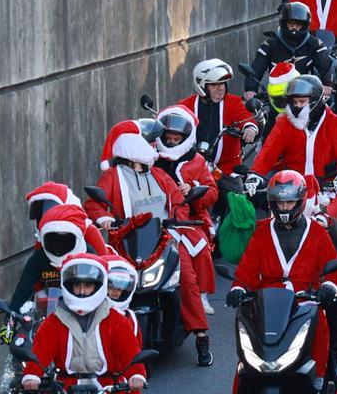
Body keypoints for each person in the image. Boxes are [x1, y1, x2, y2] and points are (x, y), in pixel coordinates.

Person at [85, 121, 213, 365]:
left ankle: (201, 336)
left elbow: (178, 203)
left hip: (163, 239)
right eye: (148, 143)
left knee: (186, 278)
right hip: (125, 243)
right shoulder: (112, 177)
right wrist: (105, 219)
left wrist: (176, 223)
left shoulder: (158, 174)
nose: (153, 147)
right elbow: (93, 204)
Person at [227, 170, 337, 389]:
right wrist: (238, 288)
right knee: (248, 345)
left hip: (304, 300)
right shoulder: (261, 232)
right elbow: (247, 267)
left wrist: (328, 285)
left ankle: (324, 370)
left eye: (289, 202)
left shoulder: (317, 232)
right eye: (280, 203)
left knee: (321, 326)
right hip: (267, 301)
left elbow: (332, 266)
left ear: (300, 201)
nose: (285, 208)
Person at [21, 254, 147, 391]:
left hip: (108, 386)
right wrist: (32, 375)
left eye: (88, 285)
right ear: (69, 286)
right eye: (76, 285)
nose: (82, 291)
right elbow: (41, 351)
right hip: (66, 386)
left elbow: (129, 351)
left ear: (98, 286)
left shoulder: (115, 319)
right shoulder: (55, 320)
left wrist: (136, 374)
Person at [153, 105, 220, 313]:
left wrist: (192, 189)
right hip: (154, 217)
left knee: (199, 248)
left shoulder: (196, 161)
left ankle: (201, 294)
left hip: (190, 218)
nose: (172, 143)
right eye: (169, 138)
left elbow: (212, 193)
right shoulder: (150, 158)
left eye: (177, 139)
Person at [177, 59, 260, 173]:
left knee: (237, 190)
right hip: (194, 168)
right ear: (202, 85)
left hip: (228, 167)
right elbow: (173, 115)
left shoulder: (233, 101)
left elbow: (244, 114)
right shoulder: (186, 105)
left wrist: (249, 127)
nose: (221, 88)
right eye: (215, 84)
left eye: (223, 83)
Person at [243, 1, 335, 96]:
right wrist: (251, 89)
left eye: (298, 24)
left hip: (306, 95)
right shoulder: (270, 44)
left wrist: (328, 84)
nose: (294, 28)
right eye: (291, 23)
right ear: (284, 23)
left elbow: (326, 67)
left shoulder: (315, 44)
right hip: (278, 95)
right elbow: (256, 68)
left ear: (305, 25)